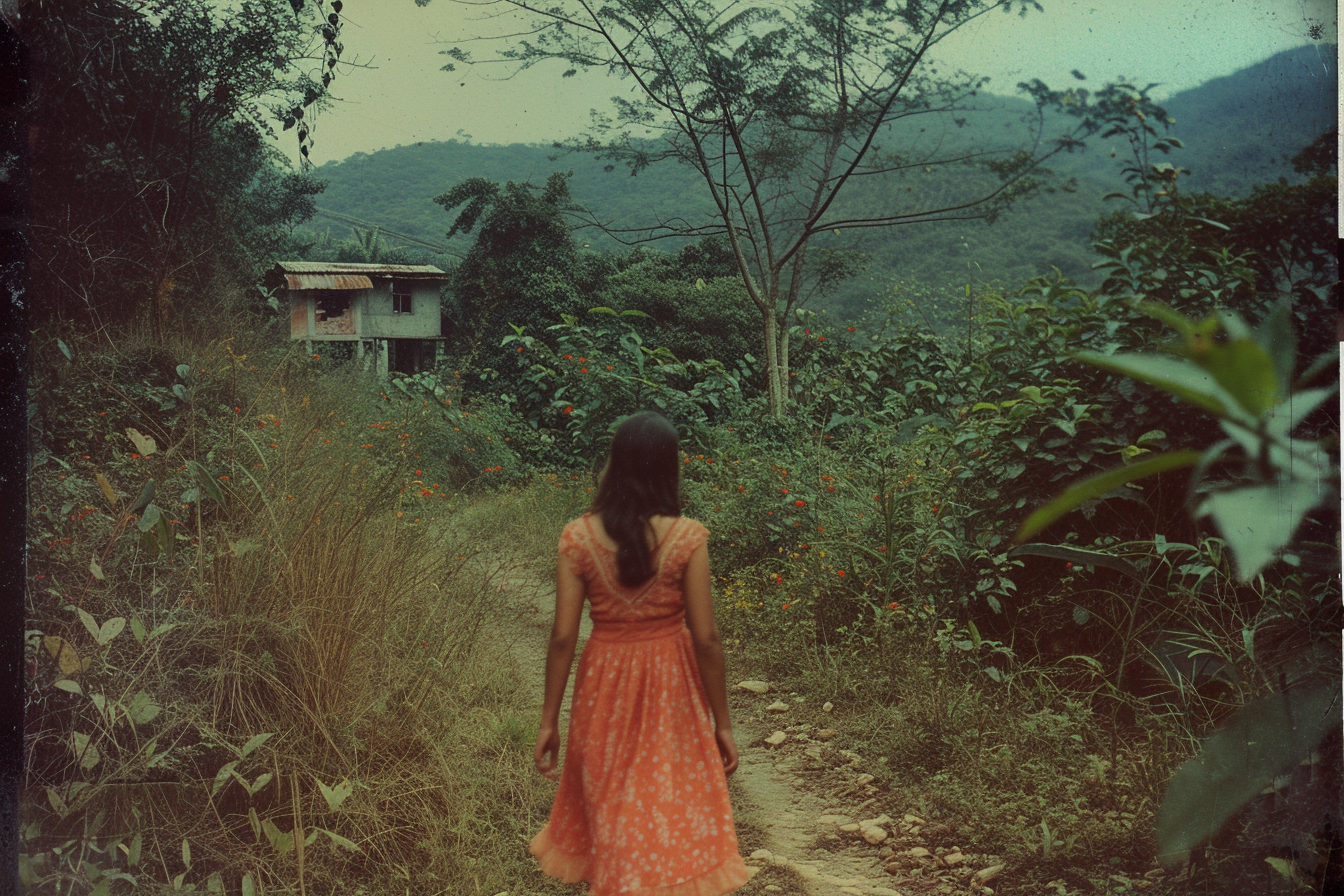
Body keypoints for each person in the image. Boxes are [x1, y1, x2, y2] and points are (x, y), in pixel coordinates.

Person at [529, 411, 752, 895]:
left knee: (613, 807)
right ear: (669, 468)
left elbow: (563, 637)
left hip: (601, 687)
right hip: (670, 686)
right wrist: (724, 723)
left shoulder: (578, 536)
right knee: (662, 806)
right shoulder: (688, 537)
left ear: (616, 465)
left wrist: (549, 720)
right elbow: (707, 638)